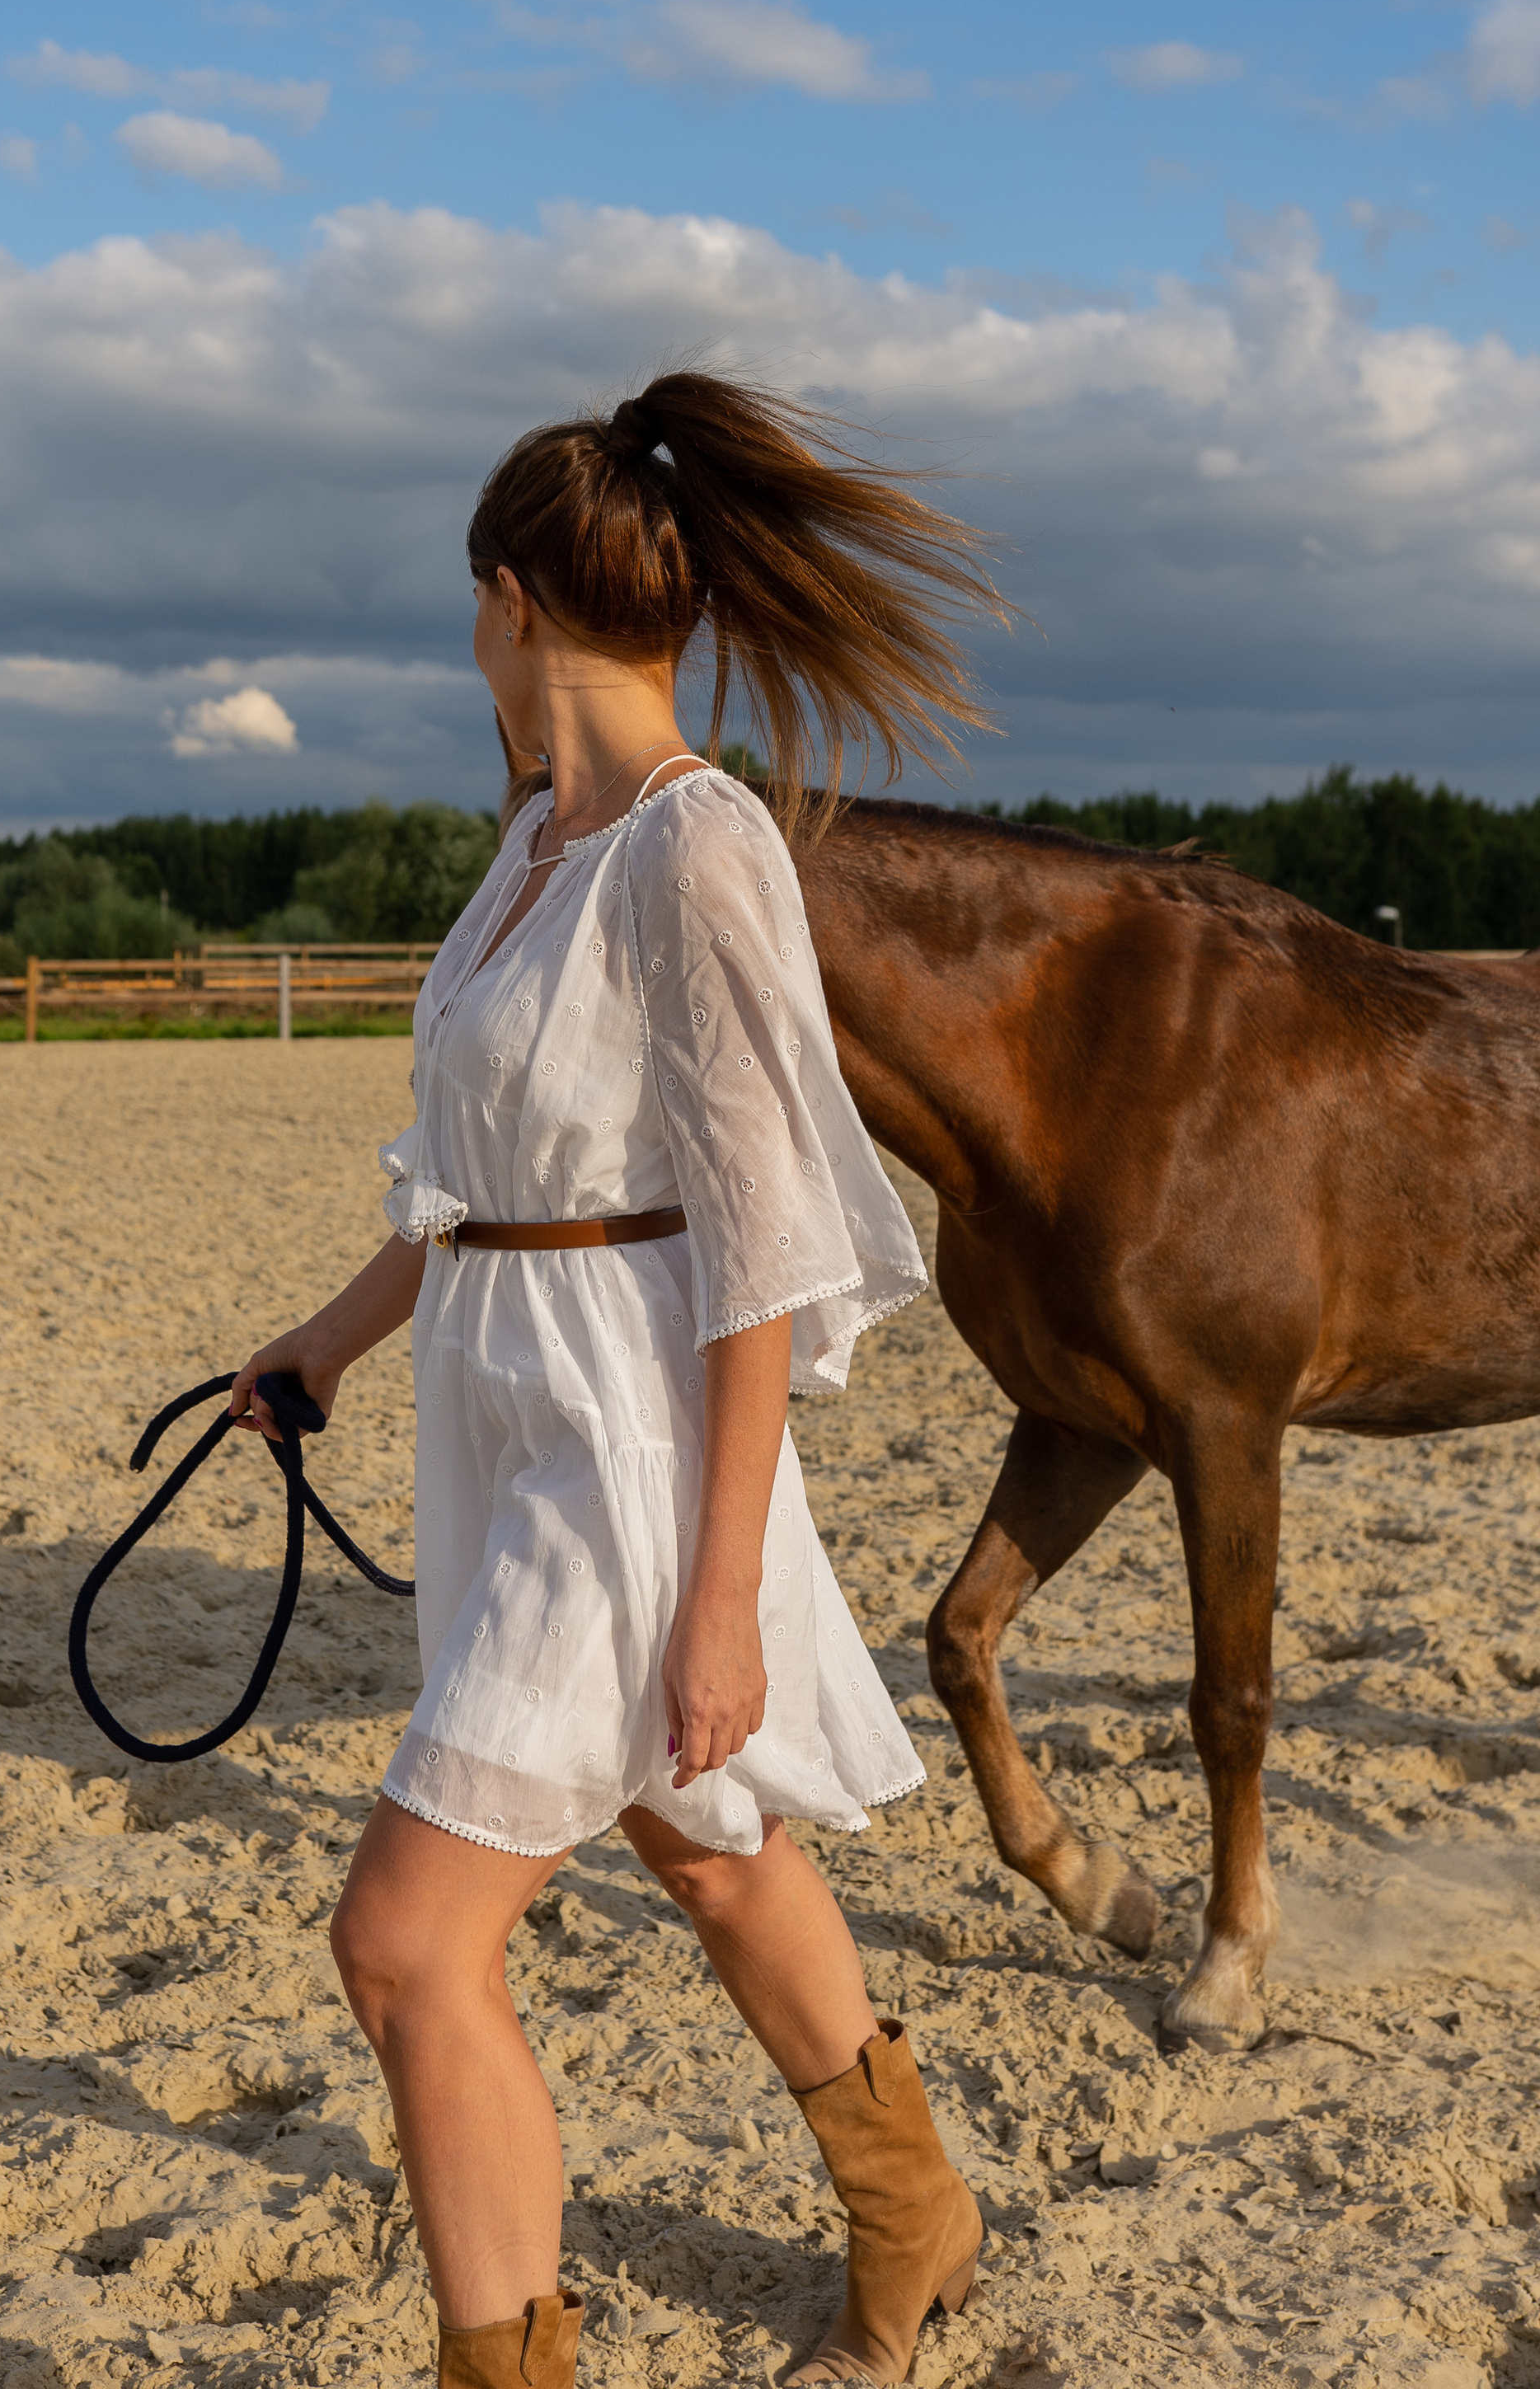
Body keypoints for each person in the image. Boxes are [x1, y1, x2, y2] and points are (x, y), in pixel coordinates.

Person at [229, 372, 1002, 2389]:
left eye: (469, 617)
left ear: (509, 603)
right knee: (709, 1845)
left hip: (630, 1441)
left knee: (402, 1943)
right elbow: (483, 1179)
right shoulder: (535, 849)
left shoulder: (690, 846)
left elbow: (756, 1248)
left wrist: (720, 1591)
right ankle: (916, 2212)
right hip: (505, 1398)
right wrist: (326, 1343)